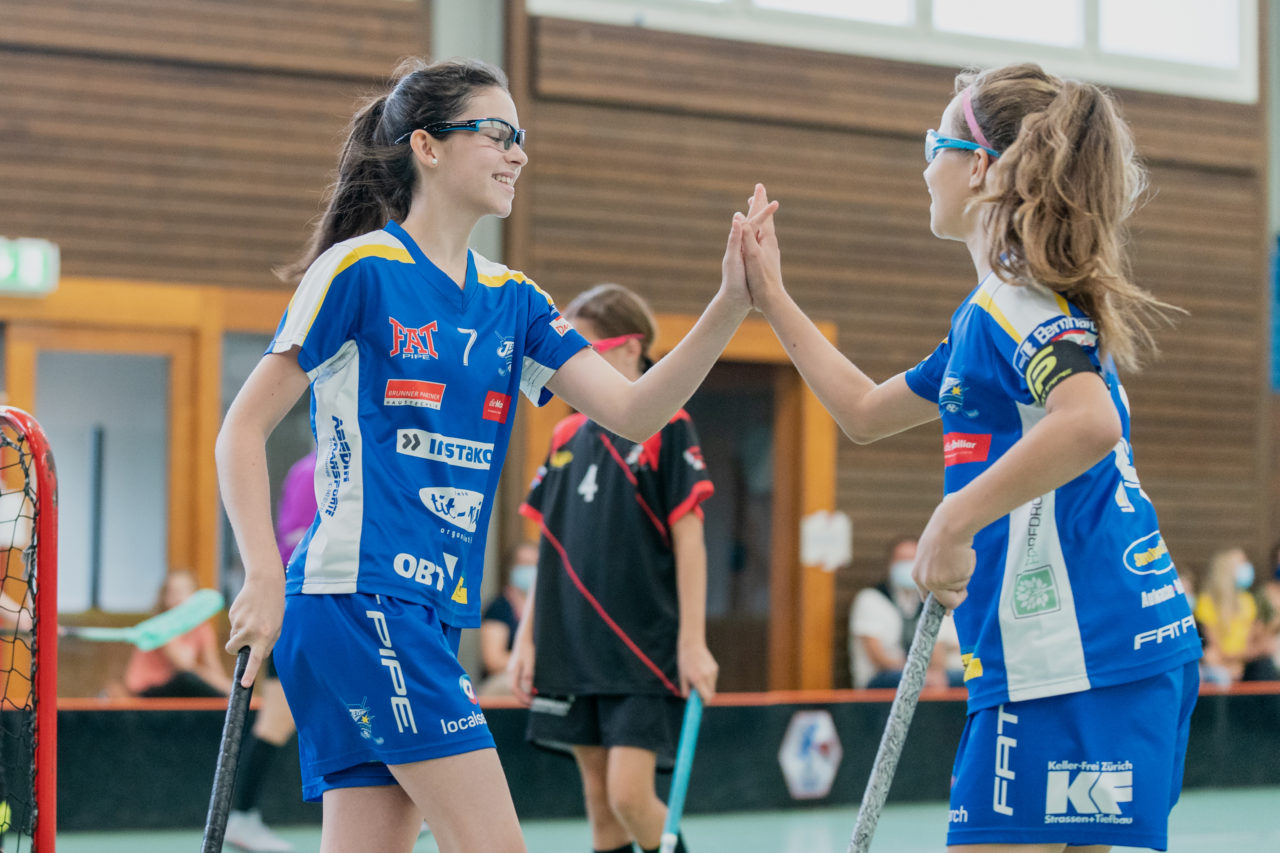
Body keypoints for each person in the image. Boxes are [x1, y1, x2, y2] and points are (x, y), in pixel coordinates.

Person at [216, 57, 771, 853]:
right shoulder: (359, 270)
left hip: (433, 611)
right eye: (497, 134)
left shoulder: (515, 300)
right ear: (427, 146)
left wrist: (730, 303)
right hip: (359, 596)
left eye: (521, 136)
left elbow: (634, 411)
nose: (518, 153)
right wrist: (262, 575)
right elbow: (240, 430)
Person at [738, 63, 1203, 852]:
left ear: (981, 167)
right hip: (1115, 649)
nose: (926, 167)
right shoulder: (989, 318)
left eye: (935, 145)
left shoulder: (1014, 304)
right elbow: (863, 412)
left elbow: (1089, 422)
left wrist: (953, 520)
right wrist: (771, 296)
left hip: (1070, 659)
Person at [508, 284, 719, 853]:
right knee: (601, 808)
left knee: (630, 796)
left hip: (640, 648)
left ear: (632, 348)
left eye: (587, 352)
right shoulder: (564, 435)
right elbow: (549, 543)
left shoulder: (667, 426)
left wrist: (693, 642)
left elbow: (690, 540)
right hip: (571, 645)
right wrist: (527, 638)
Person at [225, 450, 315, 853]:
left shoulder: (306, 468)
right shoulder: (316, 469)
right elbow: (299, 542)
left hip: (299, 604)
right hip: (301, 605)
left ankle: (242, 816)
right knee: (276, 721)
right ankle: (241, 817)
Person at [849, 536, 960, 689]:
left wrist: (934, 675)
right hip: (882, 677)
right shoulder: (871, 599)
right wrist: (920, 674)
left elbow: (937, 652)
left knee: (962, 679)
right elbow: (877, 657)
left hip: (923, 676)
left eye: (913, 560)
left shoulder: (929, 601)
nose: (908, 565)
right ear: (889, 565)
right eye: (902, 560)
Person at [122, 570, 232, 698]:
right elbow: (184, 666)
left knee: (205, 686)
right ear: (164, 598)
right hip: (149, 687)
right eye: (172, 592)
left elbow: (213, 666)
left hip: (178, 685)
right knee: (188, 679)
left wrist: (228, 688)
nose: (178, 598)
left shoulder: (202, 628)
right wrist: (224, 688)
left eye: (183, 591)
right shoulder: (162, 625)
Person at [1194, 546, 1276, 684]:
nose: (1247, 567)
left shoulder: (1248, 600)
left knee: (1266, 667)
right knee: (1215, 665)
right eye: (1241, 563)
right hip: (1221, 666)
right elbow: (1215, 649)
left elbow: (1259, 639)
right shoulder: (1207, 602)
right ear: (1225, 569)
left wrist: (1244, 657)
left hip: (1244, 663)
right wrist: (1246, 654)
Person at [477, 541, 537, 697]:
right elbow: (493, 660)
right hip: (504, 681)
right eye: (525, 564)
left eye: (535, 564)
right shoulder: (499, 608)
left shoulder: (546, 609)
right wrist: (534, 661)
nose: (531, 569)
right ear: (511, 568)